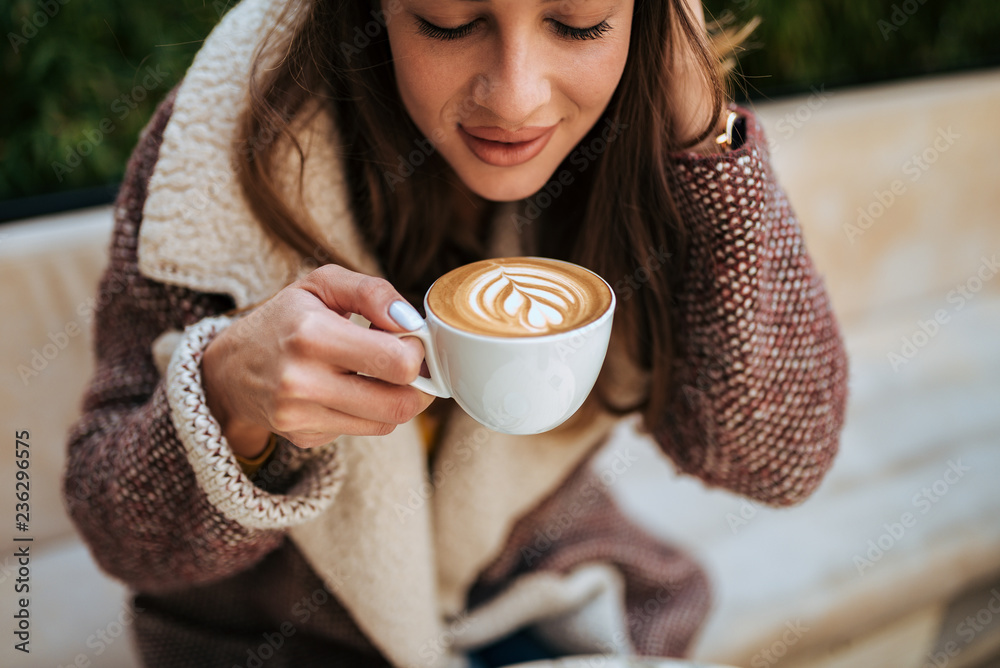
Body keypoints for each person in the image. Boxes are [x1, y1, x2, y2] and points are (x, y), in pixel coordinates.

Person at [63, 0, 848, 666]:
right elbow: (119, 537)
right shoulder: (227, 134)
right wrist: (229, 397)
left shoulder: (658, 145)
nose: (514, 97)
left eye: (577, 25)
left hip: (530, 594)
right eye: (448, 21)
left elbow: (777, 459)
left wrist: (708, 142)